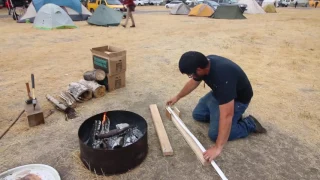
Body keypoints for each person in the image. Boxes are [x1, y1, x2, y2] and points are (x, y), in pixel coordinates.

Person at [167, 51, 267, 162]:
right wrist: (178, 97)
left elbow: (227, 115)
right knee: (198, 114)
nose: (191, 76)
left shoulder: (223, 78)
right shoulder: (205, 63)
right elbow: (194, 82)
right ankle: (228, 120)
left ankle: (249, 124)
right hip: (219, 94)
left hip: (237, 100)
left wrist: (218, 148)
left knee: (215, 134)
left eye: (191, 74)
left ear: (199, 69)